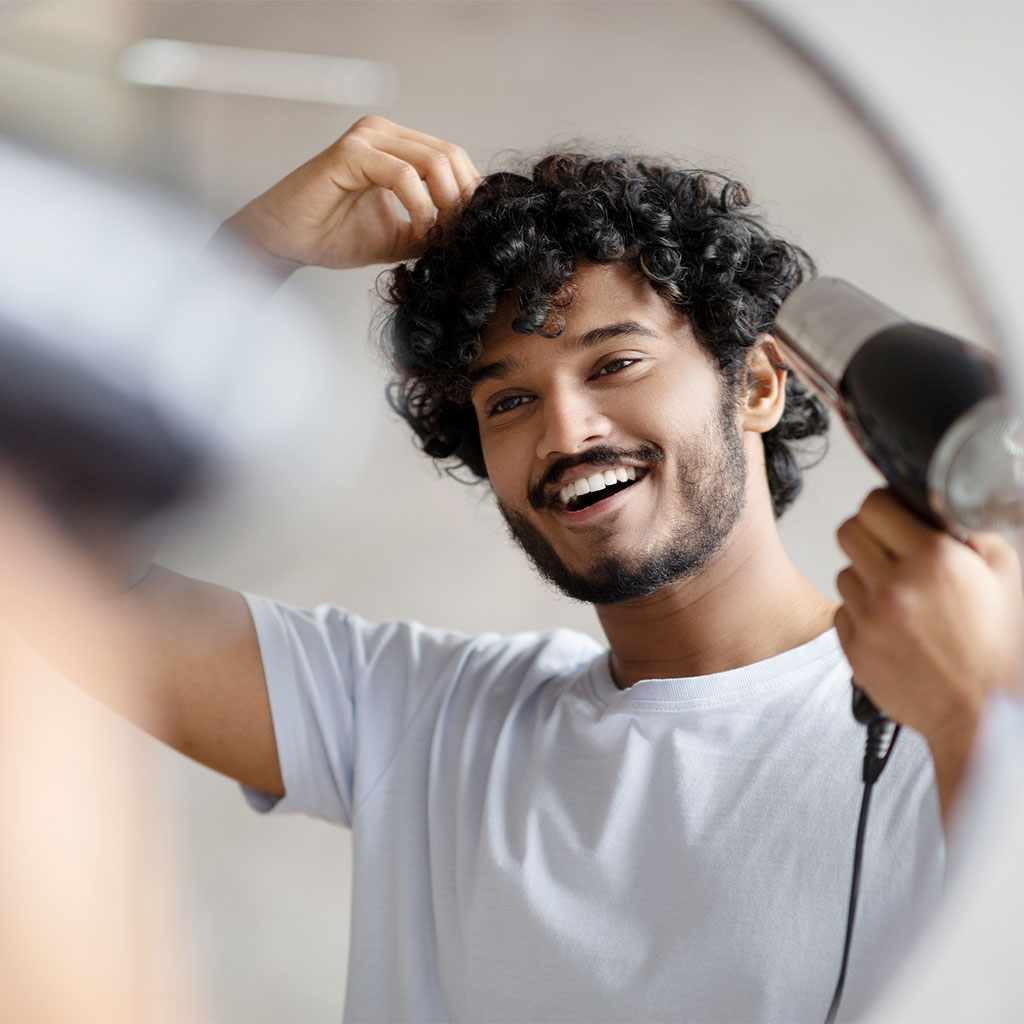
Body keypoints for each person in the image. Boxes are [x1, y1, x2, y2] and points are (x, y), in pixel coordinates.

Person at [63, 117, 1023, 1021]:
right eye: (510, 399)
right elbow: (34, 554)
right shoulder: (419, 721)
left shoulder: (951, 713)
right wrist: (244, 256)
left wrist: (969, 714)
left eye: (615, 366)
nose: (565, 432)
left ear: (762, 384)